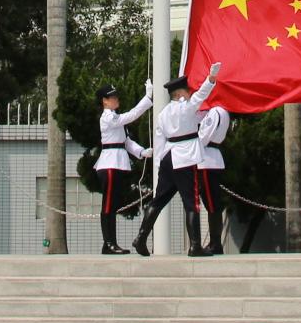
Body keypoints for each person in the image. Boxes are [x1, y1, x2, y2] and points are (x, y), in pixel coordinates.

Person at [133, 64, 222, 257]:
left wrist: (158, 165)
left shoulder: (163, 113)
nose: (190, 93)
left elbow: (159, 140)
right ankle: (195, 246)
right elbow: (201, 95)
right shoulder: (186, 107)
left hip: (168, 159)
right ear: (180, 93)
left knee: (158, 201)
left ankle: (141, 238)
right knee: (192, 203)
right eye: (187, 90)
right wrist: (211, 78)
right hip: (185, 158)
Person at [94, 81, 153, 255]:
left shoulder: (114, 117)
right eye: (112, 97)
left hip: (117, 163)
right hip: (110, 164)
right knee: (108, 205)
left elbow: (126, 142)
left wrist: (142, 152)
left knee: (113, 205)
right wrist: (147, 98)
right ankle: (109, 243)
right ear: (104, 101)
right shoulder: (108, 117)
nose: (116, 99)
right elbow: (131, 115)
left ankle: (111, 242)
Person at [193, 78, 233, 256]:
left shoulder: (216, 112)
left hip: (207, 158)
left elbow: (204, 136)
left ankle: (216, 242)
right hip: (210, 158)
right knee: (211, 203)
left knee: (211, 203)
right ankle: (214, 241)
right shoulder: (217, 111)